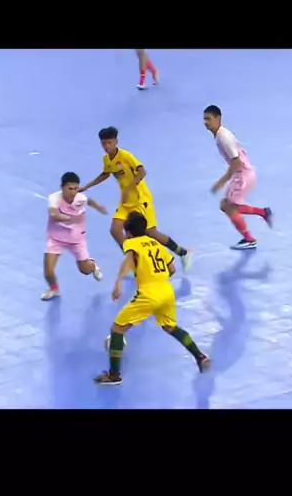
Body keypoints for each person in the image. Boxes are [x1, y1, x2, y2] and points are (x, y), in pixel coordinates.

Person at [94, 212, 210, 384]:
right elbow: (172, 269)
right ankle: (200, 356)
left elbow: (128, 261)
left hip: (149, 293)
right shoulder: (156, 243)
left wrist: (118, 282)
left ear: (129, 233)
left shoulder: (131, 243)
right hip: (166, 290)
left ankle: (114, 375)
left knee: (118, 329)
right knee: (171, 327)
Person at [79, 127, 193, 271]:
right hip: (126, 202)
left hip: (141, 200)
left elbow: (142, 172)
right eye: (104, 143)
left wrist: (129, 188)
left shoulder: (126, 156)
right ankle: (133, 259)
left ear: (116, 142)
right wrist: (87, 186)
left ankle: (183, 253)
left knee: (152, 233)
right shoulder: (106, 159)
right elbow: (106, 173)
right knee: (115, 230)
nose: (107, 146)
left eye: (109, 143)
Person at [203, 105, 273, 250]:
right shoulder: (220, 135)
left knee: (228, 207)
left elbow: (236, 163)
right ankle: (263, 213)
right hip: (243, 174)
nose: (206, 122)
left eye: (208, 119)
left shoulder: (224, 138)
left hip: (243, 176)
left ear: (218, 118)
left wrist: (221, 182)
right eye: (204, 119)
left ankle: (250, 239)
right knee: (226, 205)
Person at [42, 172, 107, 300]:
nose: (73, 192)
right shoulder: (54, 198)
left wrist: (98, 207)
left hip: (76, 239)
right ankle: (54, 289)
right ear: (62, 187)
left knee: (85, 270)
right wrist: (69, 219)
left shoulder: (80, 198)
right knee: (48, 269)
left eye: (75, 188)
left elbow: (89, 201)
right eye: (69, 188)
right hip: (55, 238)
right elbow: (54, 214)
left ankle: (93, 266)